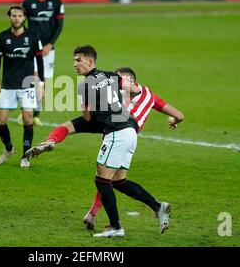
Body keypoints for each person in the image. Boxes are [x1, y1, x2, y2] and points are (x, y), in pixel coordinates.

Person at [25, 66, 184, 234]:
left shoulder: (123, 93)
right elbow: (180, 115)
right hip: (129, 134)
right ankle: (158, 207)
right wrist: (174, 120)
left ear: (132, 81)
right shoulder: (150, 96)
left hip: (115, 125)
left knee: (102, 175)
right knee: (117, 181)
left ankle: (112, 224)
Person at [0, 5, 44, 169]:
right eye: (13, 15)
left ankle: (26, 155)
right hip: (8, 85)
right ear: (9, 17)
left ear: (24, 18)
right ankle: (9, 148)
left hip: (27, 84)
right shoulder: (2, 37)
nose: (16, 18)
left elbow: (40, 61)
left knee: (28, 119)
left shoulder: (33, 36)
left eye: (19, 16)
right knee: (0, 121)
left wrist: (41, 83)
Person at [18, 0, 65, 126]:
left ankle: (35, 114)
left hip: (48, 50)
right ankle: (27, 112)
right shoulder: (27, 3)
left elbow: (59, 26)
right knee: (32, 80)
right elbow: (21, 25)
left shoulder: (56, 2)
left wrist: (50, 44)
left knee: (42, 83)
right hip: (32, 49)